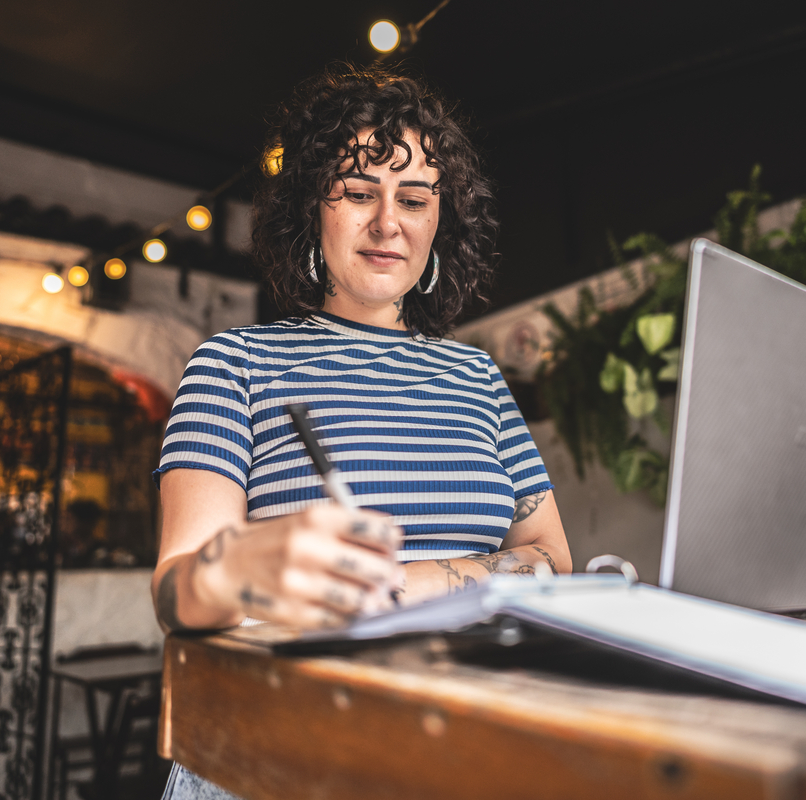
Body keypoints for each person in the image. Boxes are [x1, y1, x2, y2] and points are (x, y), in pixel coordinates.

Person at [151, 64, 572, 798]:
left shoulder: (478, 379)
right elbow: (174, 594)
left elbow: (557, 565)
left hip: (468, 745)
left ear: (441, 220)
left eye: (414, 198)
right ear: (313, 207)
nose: (388, 224)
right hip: (284, 752)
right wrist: (238, 569)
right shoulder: (235, 364)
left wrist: (388, 587)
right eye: (356, 193)